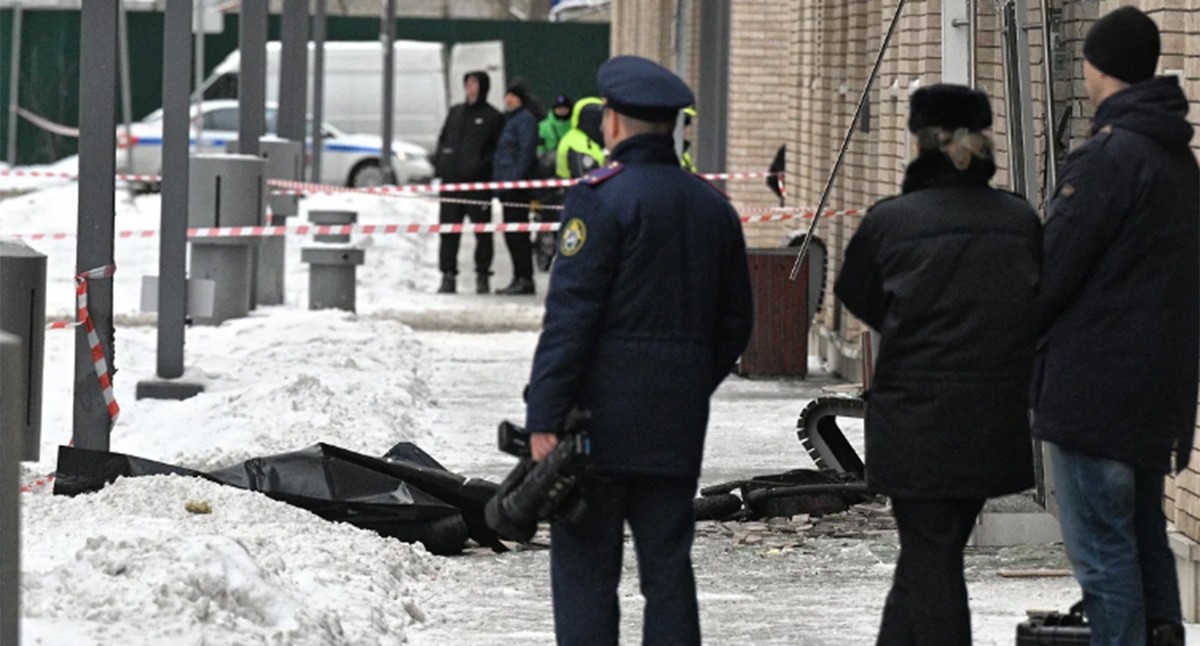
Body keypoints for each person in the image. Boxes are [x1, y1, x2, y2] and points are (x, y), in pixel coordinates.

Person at [525, 56, 753, 646]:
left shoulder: (599, 199)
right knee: (669, 569)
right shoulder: (713, 207)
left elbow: (570, 320)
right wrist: (687, 379)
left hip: (594, 426)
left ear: (614, 123)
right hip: (675, 422)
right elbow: (736, 324)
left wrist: (544, 415)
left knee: (586, 572)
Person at [834, 85, 1041, 646]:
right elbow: (1035, 304)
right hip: (991, 418)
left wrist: (904, 325)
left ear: (919, 143)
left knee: (930, 557)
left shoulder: (891, 221)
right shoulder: (1018, 219)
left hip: (915, 420)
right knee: (931, 552)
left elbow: (855, 293)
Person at [1033, 8, 1197, 645]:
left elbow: (1052, 271)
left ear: (1097, 68)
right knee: (1145, 544)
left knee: (1104, 558)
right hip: (1156, 393)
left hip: (1094, 394)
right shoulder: (1177, 159)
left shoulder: (1108, 158)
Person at [433, 71, 504, 294]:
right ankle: (447, 275)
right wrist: (442, 162)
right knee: (448, 231)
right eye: (468, 83)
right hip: (451, 184)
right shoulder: (455, 112)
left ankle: (482, 275)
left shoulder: (493, 117)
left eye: (474, 84)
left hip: (477, 186)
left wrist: (479, 166)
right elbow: (443, 139)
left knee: (482, 233)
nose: (470, 88)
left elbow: (496, 150)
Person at [492, 81, 541, 295]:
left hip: (516, 187)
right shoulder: (510, 120)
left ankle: (524, 278)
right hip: (507, 186)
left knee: (518, 234)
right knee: (511, 234)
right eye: (507, 95)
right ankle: (518, 276)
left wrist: (514, 180)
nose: (508, 100)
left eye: (513, 96)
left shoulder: (524, 120)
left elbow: (525, 153)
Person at [555, 97, 606, 180]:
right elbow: (586, 179)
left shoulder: (593, 137)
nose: (603, 124)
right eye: (601, 119)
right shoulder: (577, 144)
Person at [539, 94, 574, 159]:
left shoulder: (575, 124)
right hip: (551, 159)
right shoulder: (543, 126)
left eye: (564, 108)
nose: (561, 110)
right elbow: (539, 146)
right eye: (558, 108)